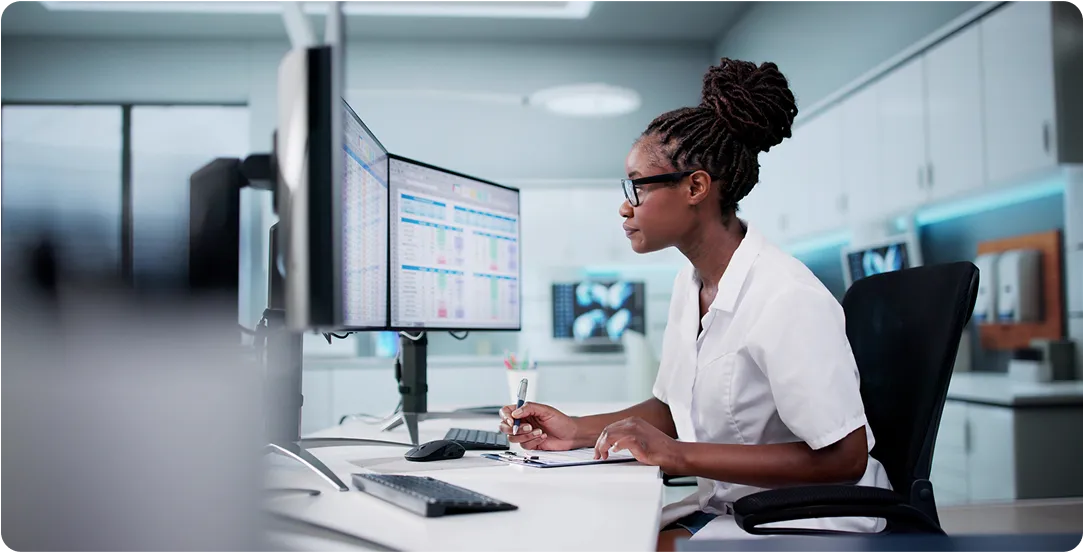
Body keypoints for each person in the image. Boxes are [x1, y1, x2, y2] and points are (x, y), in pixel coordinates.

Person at [498, 58, 891, 550]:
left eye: (637, 185)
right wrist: (574, 429)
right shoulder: (693, 285)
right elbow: (671, 406)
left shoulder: (787, 297)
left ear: (696, 187)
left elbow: (844, 459)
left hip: (813, 520)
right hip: (735, 507)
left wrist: (679, 456)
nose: (625, 205)